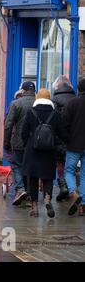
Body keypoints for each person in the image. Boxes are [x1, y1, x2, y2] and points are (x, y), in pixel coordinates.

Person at [21, 89, 68, 218]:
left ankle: (35, 207)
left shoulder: (30, 113)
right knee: (47, 177)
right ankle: (47, 199)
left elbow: (23, 133)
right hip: (49, 151)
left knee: (33, 178)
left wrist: (28, 145)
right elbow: (62, 134)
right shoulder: (55, 114)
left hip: (33, 150)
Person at [4, 81, 36, 206]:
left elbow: (8, 125)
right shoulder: (39, 103)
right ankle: (29, 195)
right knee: (30, 168)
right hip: (36, 142)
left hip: (18, 142)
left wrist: (6, 142)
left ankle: (21, 189)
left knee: (16, 165)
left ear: (22, 90)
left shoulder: (16, 104)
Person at [62, 78, 85, 216]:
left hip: (73, 145)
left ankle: (72, 192)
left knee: (69, 171)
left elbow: (64, 124)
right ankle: (83, 206)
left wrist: (67, 139)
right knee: (84, 174)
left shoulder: (72, 103)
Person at [51, 75, 76, 202]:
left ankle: (63, 187)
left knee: (60, 162)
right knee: (71, 163)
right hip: (74, 137)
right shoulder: (75, 99)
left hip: (59, 136)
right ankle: (72, 188)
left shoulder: (55, 100)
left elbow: (53, 119)